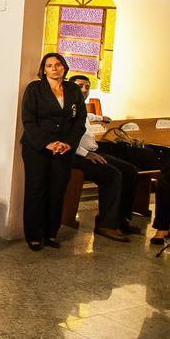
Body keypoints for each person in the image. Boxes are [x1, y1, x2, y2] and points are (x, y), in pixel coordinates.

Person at [19, 55, 87, 251]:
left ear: (64, 68)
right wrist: (47, 143)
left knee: (57, 191)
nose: (54, 68)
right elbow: (28, 120)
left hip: (65, 149)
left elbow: (79, 122)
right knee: (36, 190)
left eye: (57, 65)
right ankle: (34, 235)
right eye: (49, 66)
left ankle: (51, 233)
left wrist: (69, 144)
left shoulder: (73, 89)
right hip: (37, 148)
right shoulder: (35, 88)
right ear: (44, 70)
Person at [70, 75, 141, 241]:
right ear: (70, 88)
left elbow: (89, 117)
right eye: (80, 86)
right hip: (75, 155)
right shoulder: (67, 107)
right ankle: (106, 224)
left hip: (91, 152)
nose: (84, 90)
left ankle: (121, 219)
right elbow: (65, 135)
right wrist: (85, 153)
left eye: (87, 87)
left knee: (130, 171)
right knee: (112, 175)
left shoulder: (81, 108)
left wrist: (101, 118)